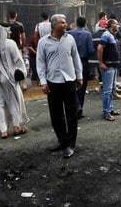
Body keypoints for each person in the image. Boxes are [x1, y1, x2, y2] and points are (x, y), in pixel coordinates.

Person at [37, 14, 82, 158]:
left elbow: (76, 58)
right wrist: (43, 81)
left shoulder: (70, 39)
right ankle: (63, 142)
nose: (66, 24)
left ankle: (70, 144)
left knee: (72, 114)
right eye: (63, 23)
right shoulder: (43, 42)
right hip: (53, 82)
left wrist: (79, 76)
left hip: (69, 81)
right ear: (54, 25)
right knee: (56, 116)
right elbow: (41, 63)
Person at [0, 26, 28, 139]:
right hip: (8, 78)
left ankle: (3, 131)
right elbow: (18, 61)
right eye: (8, 30)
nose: (10, 32)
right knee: (13, 102)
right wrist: (22, 74)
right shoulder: (10, 43)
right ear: (4, 32)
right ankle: (16, 127)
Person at [67, 16, 94, 118]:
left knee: (71, 86)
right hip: (83, 62)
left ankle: (74, 108)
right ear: (85, 23)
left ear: (76, 23)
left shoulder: (69, 33)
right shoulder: (87, 34)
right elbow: (91, 50)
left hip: (70, 62)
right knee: (81, 87)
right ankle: (79, 108)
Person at [97, 19, 121, 121]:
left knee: (111, 90)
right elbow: (99, 48)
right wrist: (101, 63)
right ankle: (106, 112)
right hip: (108, 67)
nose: (118, 25)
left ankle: (110, 109)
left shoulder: (111, 34)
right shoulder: (106, 35)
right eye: (116, 23)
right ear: (111, 25)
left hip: (113, 66)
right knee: (107, 91)